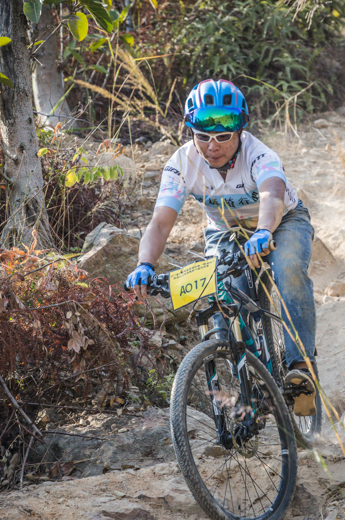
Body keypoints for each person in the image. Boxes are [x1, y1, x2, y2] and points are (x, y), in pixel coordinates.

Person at [125, 79, 318, 417]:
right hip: (225, 232)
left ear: (241, 130)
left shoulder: (260, 154)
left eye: (223, 136)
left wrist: (262, 230)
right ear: (190, 131)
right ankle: (251, 377)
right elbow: (159, 222)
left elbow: (273, 193)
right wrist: (144, 264)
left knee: (287, 267)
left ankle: (300, 367)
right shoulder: (180, 163)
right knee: (225, 299)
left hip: (281, 221)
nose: (213, 146)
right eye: (203, 136)